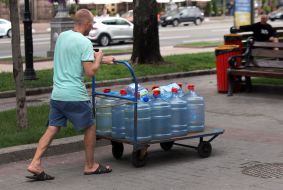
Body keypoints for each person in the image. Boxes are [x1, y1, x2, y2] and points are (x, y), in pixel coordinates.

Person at [26, 9, 115, 181]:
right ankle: (90, 166)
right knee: (90, 126)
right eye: (92, 24)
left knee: (52, 128)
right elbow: (90, 71)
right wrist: (98, 59)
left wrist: (104, 59)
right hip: (75, 95)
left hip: (57, 95)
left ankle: (35, 163)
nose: (92, 27)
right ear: (87, 24)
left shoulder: (63, 36)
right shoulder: (84, 42)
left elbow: (76, 56)